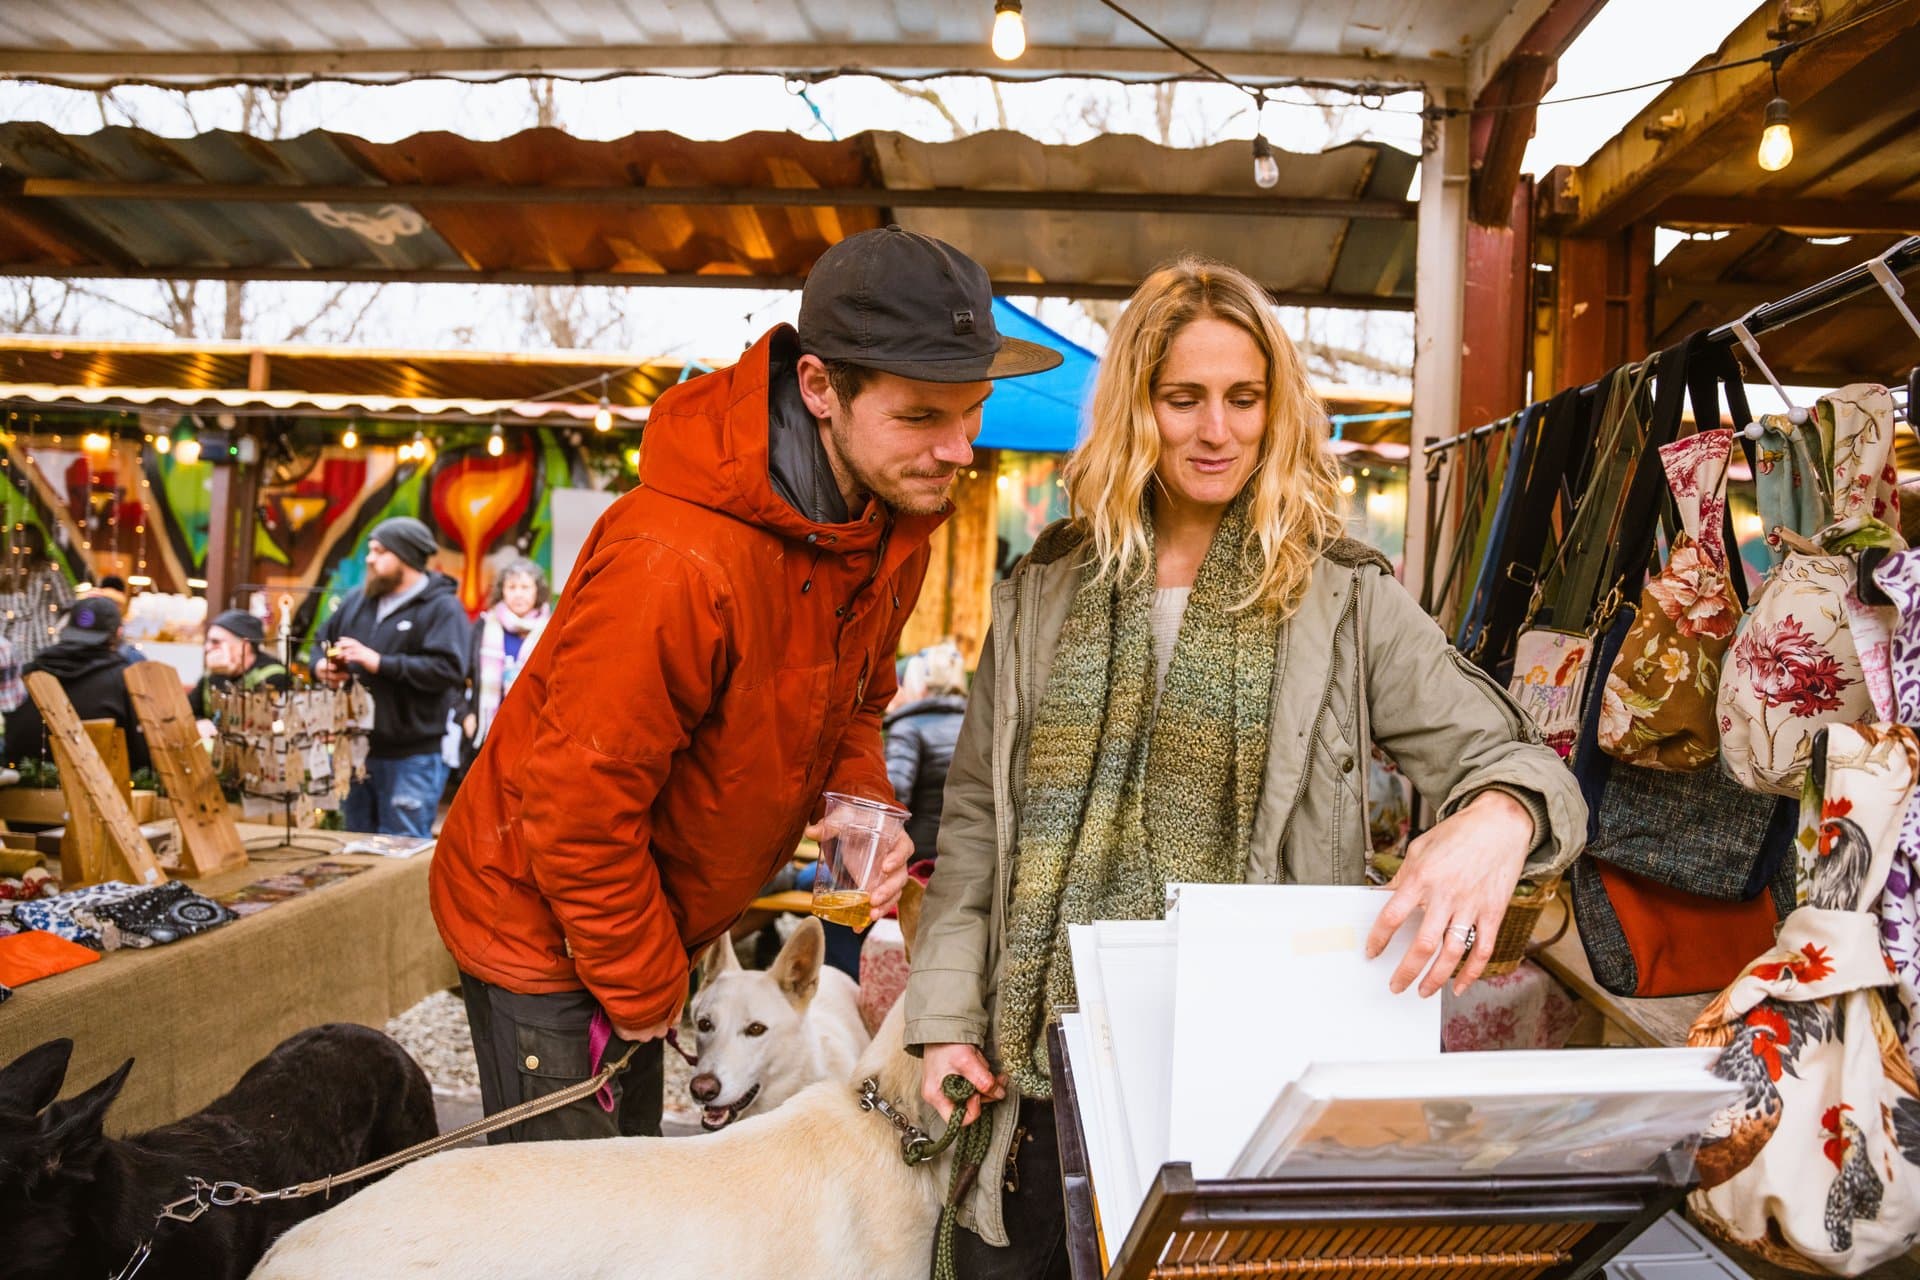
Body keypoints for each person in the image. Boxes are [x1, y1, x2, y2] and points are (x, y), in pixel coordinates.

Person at [903, 257, 1586, 1277]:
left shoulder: (1342, 597)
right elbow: (972, 835)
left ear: (1278, 410)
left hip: (1244, 1086)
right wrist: (945, 1020)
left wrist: (1498, 818)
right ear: (1138, 403)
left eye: (1243, 398)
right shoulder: (1044, 587)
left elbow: (1521, 763)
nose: (1215, 429)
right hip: (1036, 1088)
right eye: (1182, 398)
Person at [429, 226, 1064, 1144]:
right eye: (923, 416)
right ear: (818, 389)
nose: (960, 449)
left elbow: (856, 701)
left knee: (637, 1191)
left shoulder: (886, 523)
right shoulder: (675, 561)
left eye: (971, 412)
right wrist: (649, 981)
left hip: (657, 913)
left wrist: (858, 799)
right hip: (543, 923)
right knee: (572, 1228)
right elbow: (573, 809)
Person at [312, 517, 469, 838]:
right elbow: (320, 640)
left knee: (401, 853)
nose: (370, 558)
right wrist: (321, 668)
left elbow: (448, 670)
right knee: (355, 850)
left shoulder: (442, 608)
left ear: (407, 557)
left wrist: (379, 663)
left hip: (411, 757)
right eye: (371, 550)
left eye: (380, 551)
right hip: (356, 752)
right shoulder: (357, 600)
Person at [3, 594, 150, 772]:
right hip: (102, 792)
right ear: (118, 633)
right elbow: (141, 754)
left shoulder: (29, 671)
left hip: (19, 788)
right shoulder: (123, 679)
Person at [885, 640, 967, 867]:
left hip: (912, 859)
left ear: (916, 684)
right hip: (962, 860)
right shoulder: (979, 727)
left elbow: (892, 796)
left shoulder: (907, 728)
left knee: (807, 876)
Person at [461, 557, 551, 755]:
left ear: (538, 591)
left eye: (525, 587)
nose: (518, 594)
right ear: (502, 591)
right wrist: (465, 715)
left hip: (535, 733)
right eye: (511, 587)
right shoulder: (483, 626)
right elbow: (459, 673)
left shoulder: (551, 630)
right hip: (488, 733)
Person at [189, 609, 292, 737]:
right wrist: (199, 722)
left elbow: (255, 726)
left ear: (244, 646)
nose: (207, 648)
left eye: (216, 642)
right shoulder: (214, 674)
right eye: (208, 641)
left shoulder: (274, 677)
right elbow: (188, 712)